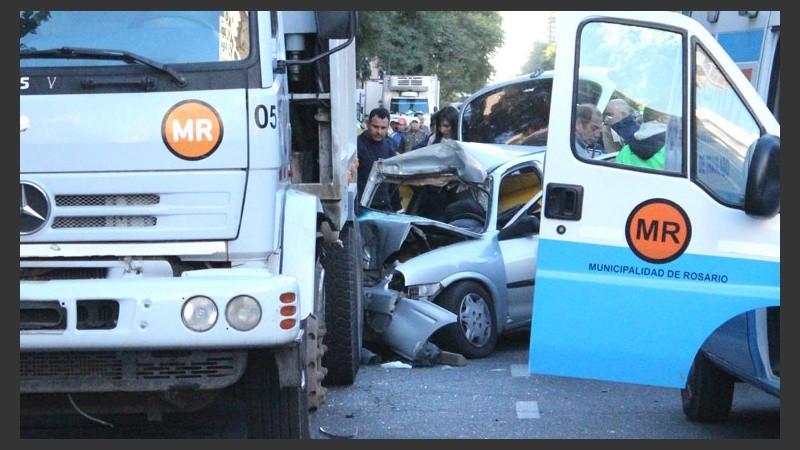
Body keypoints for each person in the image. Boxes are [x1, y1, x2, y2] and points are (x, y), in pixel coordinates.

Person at [357, 107, 402, 211]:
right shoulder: (357, 145)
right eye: (375, 127)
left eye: (383, 128)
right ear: (367, 124)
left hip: (383, 206)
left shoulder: (391, 146)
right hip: (361, 207)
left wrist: (398, 208)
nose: (379, 131)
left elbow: (393, 181)